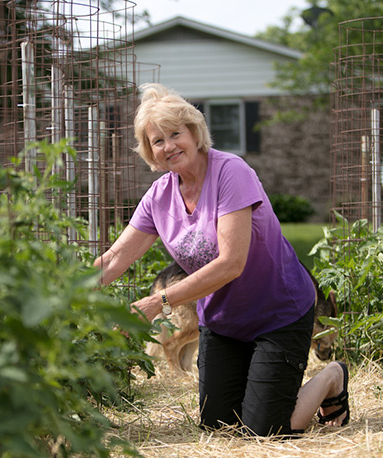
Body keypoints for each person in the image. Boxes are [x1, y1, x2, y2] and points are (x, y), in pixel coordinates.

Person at [93, 83, 350, 436]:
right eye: (157, 141)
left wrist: (159, 301)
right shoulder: (159, 196)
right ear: (150, 152)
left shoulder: (231, 173)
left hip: (278, 311)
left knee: (268, 430)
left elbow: (232, 264)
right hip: (224, 320)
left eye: (175, 134)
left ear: (194, 133)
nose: (169, 146)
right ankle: (261, 386)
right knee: (219, 427)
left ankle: (332, 377)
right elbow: (116, 257)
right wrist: (63, 293)